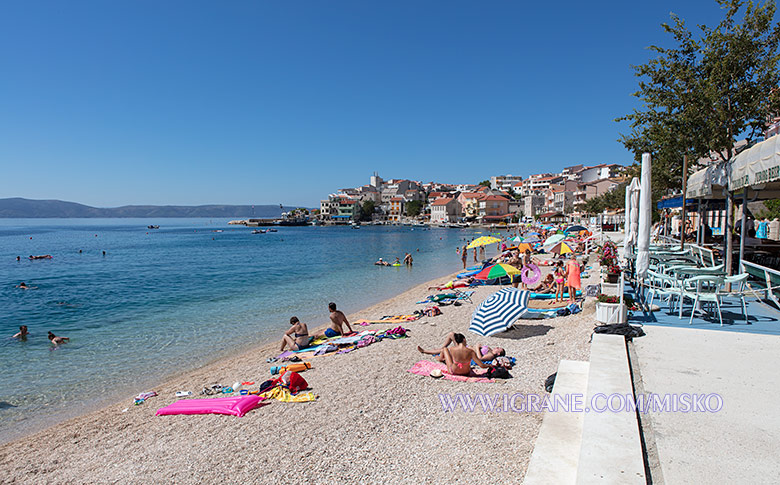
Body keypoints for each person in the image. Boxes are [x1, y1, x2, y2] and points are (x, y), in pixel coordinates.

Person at [417, 333, 493, 376]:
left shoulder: (452, 349)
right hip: (466, 372)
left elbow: (446, 352)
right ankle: (438, 357)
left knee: (444, 349)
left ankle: (438, 358)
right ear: (464, 339)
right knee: (446, 351)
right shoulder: (471, 352)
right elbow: (482, 365)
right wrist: (489, 366)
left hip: (454, 371)